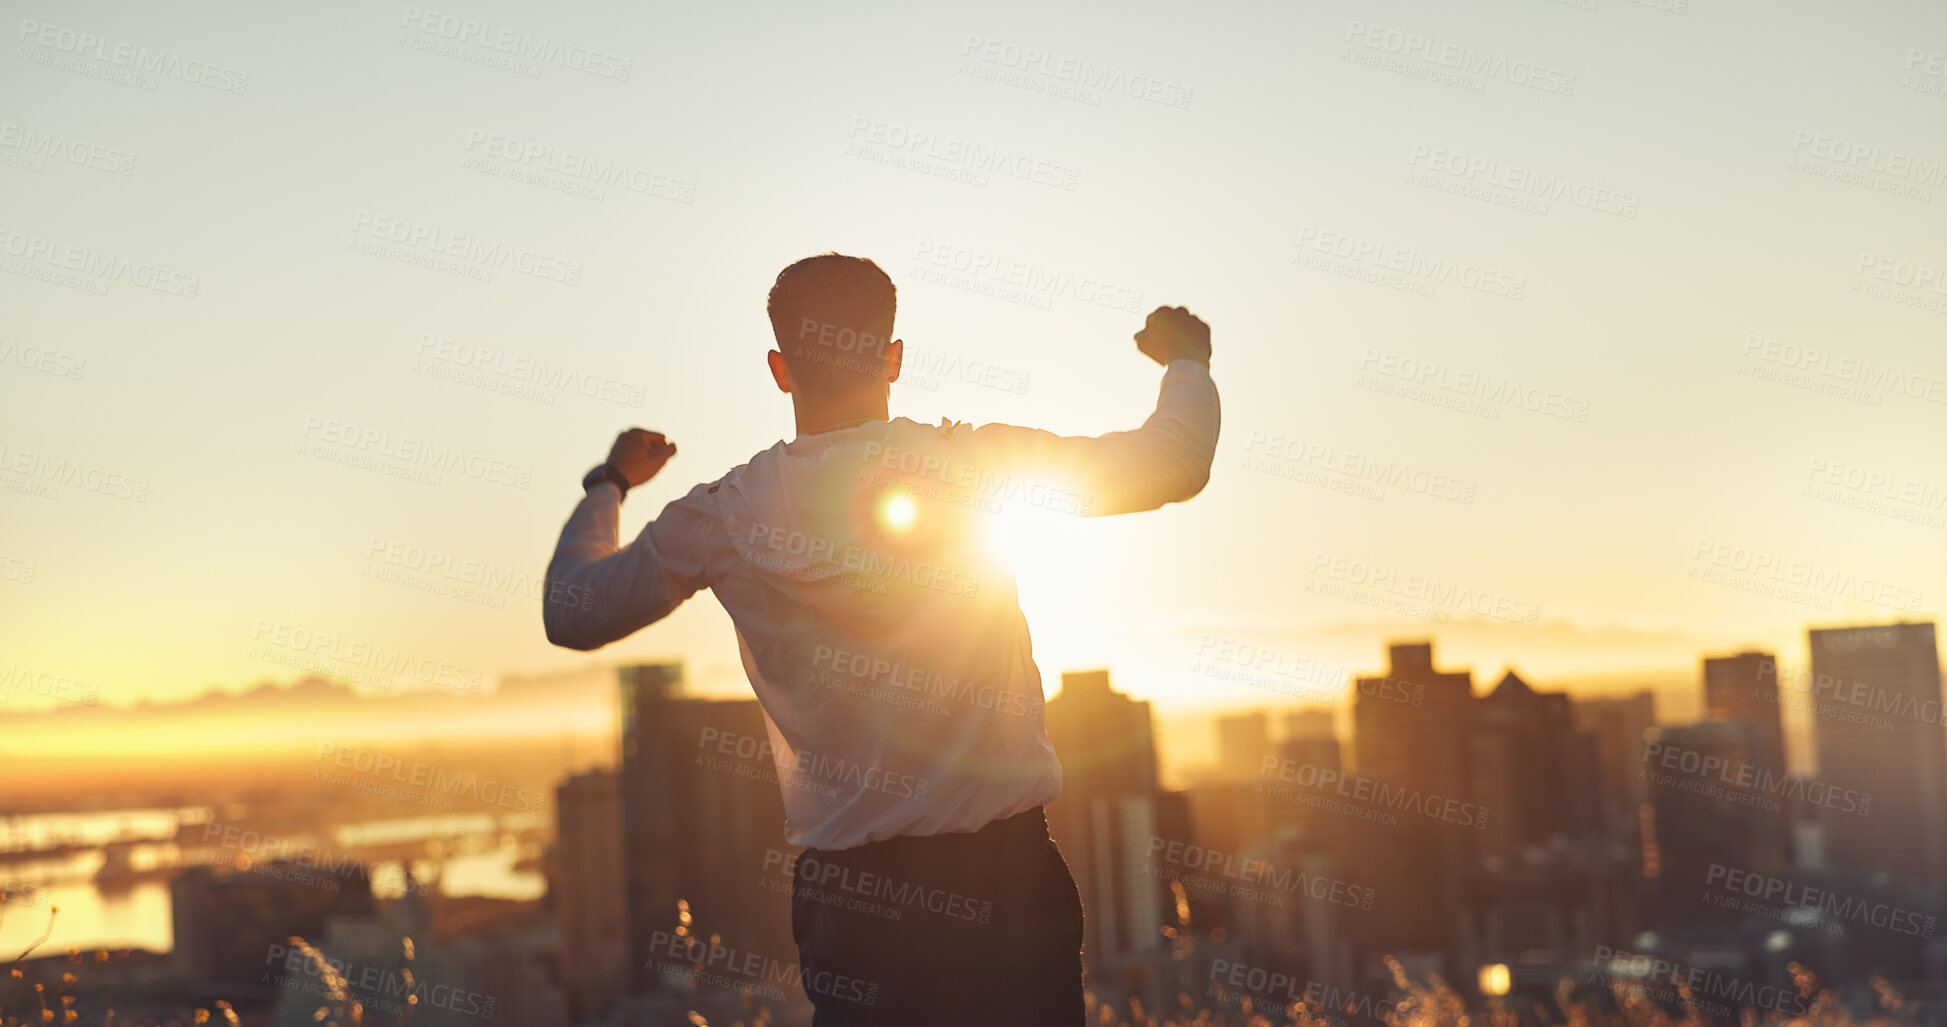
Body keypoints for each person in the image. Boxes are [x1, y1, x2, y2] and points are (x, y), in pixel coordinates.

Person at [543, 252, 1219, 1025]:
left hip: (854, 902)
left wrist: (610, 482)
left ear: (779, 368)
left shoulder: (725, 514)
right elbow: (1172, 462)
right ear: (893, 356)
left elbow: (573, 613)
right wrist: (1186, 362)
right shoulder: (967, 464)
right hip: (1005, 879)